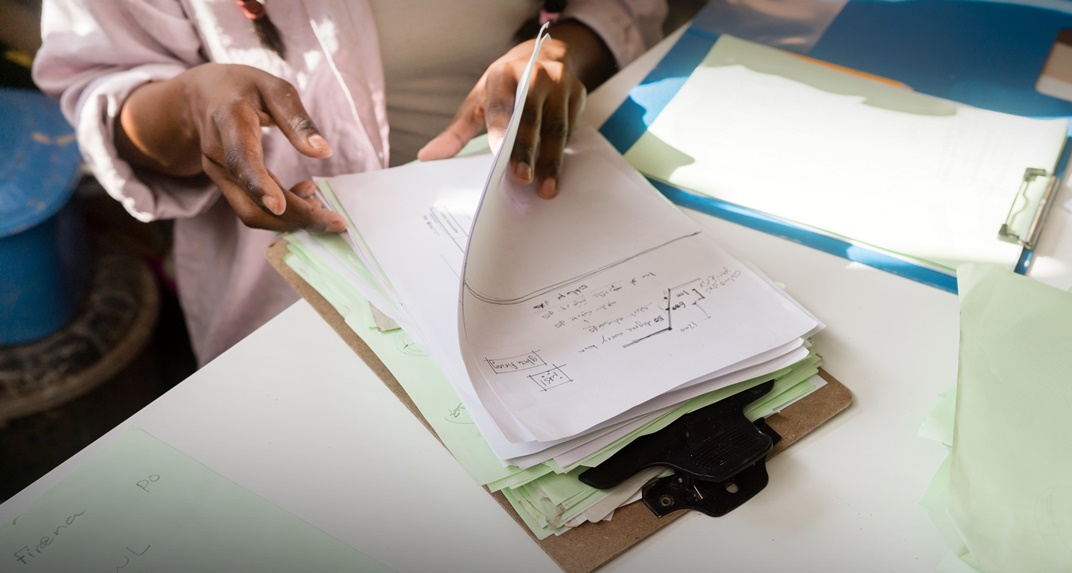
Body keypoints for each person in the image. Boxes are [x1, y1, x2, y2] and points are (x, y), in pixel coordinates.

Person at [34, 0, 667, 365]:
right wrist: (189, 108)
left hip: (544, 223)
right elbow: (104, 94)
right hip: (293, 303)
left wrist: (557, 54)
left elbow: (618, 7)